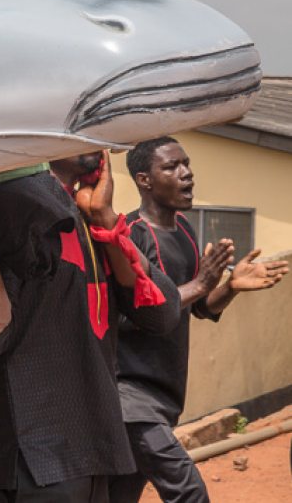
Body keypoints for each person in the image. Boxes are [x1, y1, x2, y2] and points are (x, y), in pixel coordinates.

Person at [0, 152, 181, 503]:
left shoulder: (87, 214)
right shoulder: (14, 199)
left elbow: (163, 313)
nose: (94, 138)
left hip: (93, 444)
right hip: (36, 450)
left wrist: (106, 220)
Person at [109, 137, 289, 503]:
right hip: (128, 397)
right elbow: (128, 317)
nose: (187, 173)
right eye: (172, 167)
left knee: (117, 497)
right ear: (145, 180)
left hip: (164, 396)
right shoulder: (130, 237)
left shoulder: (186, 233)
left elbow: (200, 306)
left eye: (187, 164)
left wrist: (229, 287)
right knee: (188, 491)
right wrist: (199, 284)